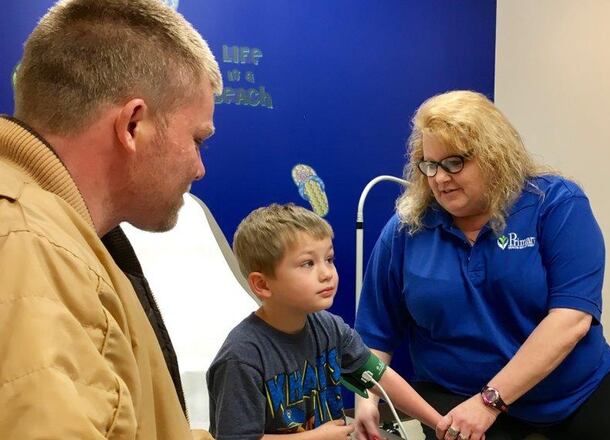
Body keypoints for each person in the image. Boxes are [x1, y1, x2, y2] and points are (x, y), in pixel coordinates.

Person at [353, 90, 610, 440]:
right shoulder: (407, 227)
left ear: (495, 156)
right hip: (455, 397)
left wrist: (490, 401)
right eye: (430, 165)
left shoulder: (554, 204)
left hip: (573, 393)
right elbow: (374, 334)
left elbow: (571, 320)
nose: (440, 178)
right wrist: (364, 396)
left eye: (454, 163)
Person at [0, 0, 221, 438]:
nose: (200, 169)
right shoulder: (33, 249)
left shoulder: (53, 236)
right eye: (198, 140)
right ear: (133, 125)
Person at [206, 203, 442, 439]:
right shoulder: (241, 358)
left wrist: (440, 425)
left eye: (329, 259)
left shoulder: (330, 328)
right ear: (263, 284)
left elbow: (380, 377)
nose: (327, 273)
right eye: (308, 263)